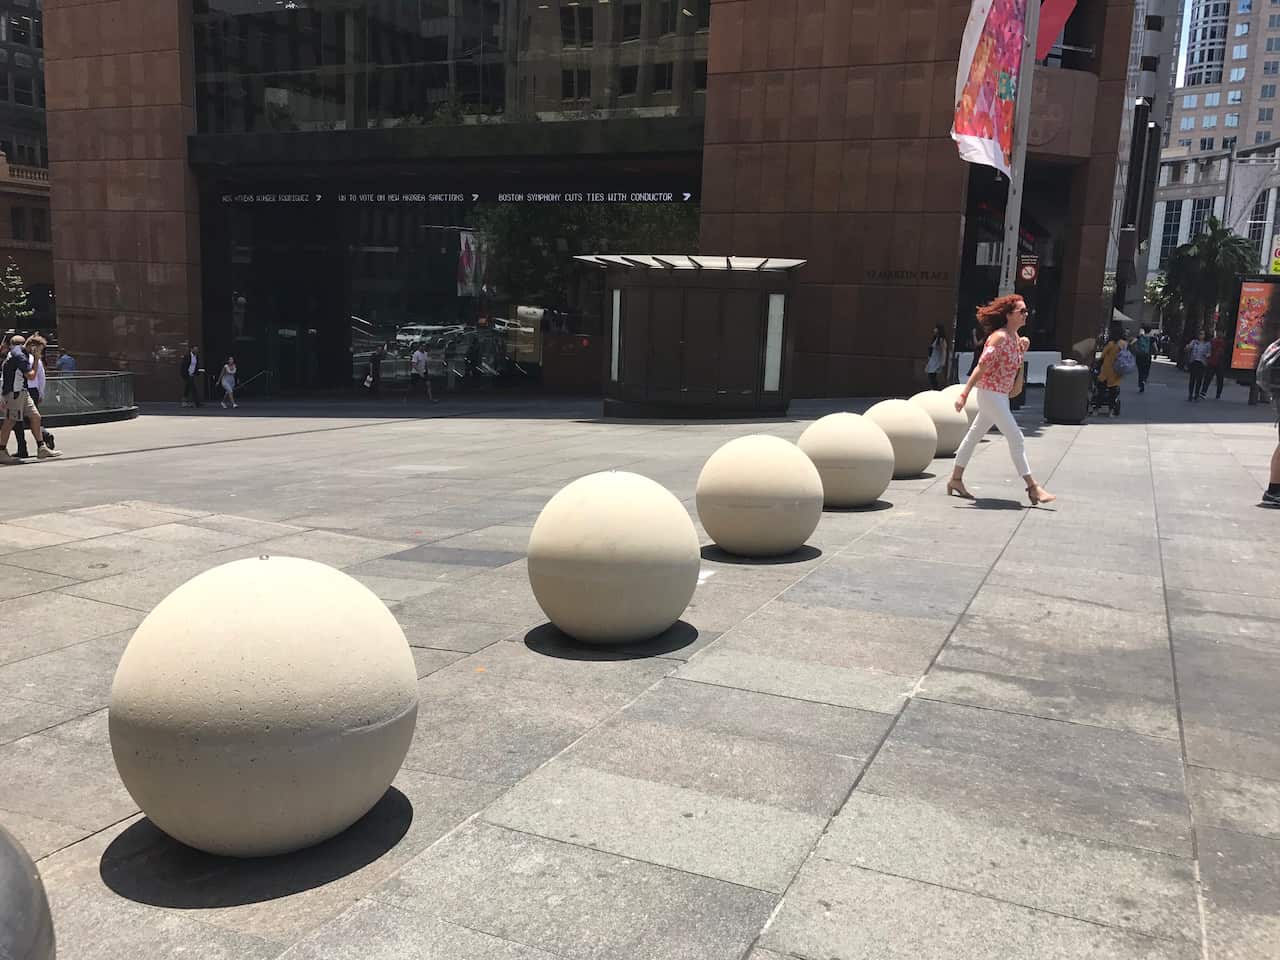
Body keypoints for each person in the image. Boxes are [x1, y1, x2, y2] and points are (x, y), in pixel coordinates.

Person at [947, 295, 1056, 505]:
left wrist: (1022, 352)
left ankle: (955, 479)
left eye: (1026, 311)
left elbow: (1016, 375)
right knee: (1016, 438)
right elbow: (981, 366)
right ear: (1008, 315)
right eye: (1021, 311)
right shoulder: (999, 338)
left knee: (974, 435)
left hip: (1000, 396)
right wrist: (964, 394)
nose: (1026, 314)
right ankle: (1033, 487)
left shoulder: (1015, 338)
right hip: (990, 394)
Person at [0, 335, 60, 462]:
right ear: (33, 347)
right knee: (10, 421)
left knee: (35, 417)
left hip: (22, 391)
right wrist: (37, 359)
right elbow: (31, 376)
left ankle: (41, 447)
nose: (40, 353)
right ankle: (1, 450)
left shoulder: (22, 353)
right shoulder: (20, 356)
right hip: (14, 393)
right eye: (39, 350)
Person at [15, 333, 53, 456]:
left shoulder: (19, 357)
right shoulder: (32, 359)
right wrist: (41, 393)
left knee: (18, 421)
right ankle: (44, 436)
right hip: (33, 390)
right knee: (32, 419)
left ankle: (22, 448)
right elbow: (41, 378)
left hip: (21, 390)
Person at [1096, 327, 1126, 417]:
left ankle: (1096, 409)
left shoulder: (1110, 344)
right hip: (1116, 372)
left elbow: (1102, 355)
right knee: (1113, 392)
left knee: (1101, 391)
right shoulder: (1123, 344)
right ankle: (1111, 411)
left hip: (1106, 371)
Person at [1186, 330, 1212, 401]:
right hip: (1194, 361)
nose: (1200, 335)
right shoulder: (1194, 342)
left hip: (1202, 363)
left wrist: (1206, 355)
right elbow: (1189, 348)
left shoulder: (1207, 344)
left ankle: (1196, 394)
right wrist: (1188, 347)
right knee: (1192, 379)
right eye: (1200, 334)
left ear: (1205, 335)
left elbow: (1209, 353)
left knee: (1199, 379)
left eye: (1202, 334)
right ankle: (1190, 394)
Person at [1203, 330, 1229, 399]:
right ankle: (1218, 394)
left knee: (1208, 378)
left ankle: (1204, 392)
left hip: (1213, 362)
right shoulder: (1224, 343)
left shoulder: (1213, 341)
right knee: (1219, 379)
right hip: (1219, 363)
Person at [1132, 325, 1155, 393]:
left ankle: (1140, 384)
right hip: (1147, 356)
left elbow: (1132, 343)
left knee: (1140, 371)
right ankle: (1144, 380)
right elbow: (1155, 347)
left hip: (1139, 356)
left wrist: (1135, 350)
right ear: (1150, 331)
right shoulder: (1152, 338)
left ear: (1144, 330)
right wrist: (1155, 354)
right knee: (1146, 370)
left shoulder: (1139, 337)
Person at [926, 324, 948, 390]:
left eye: (935, 328)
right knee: (931, 376)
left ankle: (935, 389)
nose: (934, 330)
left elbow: (944, 351)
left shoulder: (941, 340)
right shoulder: (936, 339)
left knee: (932, 376)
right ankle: (934, 389)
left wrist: (943, 362)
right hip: (933, 359)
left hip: (937, 361)